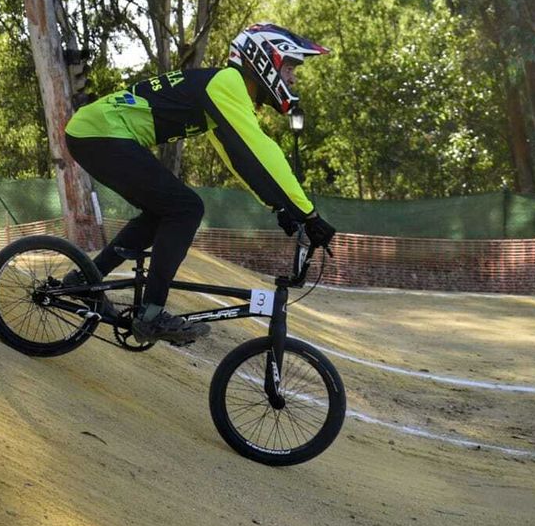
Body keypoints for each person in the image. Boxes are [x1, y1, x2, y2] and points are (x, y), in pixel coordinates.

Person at [62, 23, 337, 345]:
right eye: (289, 68)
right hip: (100, 132)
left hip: (95, 133)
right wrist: (307, 213)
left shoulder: (221, 89)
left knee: (164, 212)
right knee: (186, 208)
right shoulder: (228, 82)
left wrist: (279, 206)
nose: (292, 79)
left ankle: (85, 279)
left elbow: (240, 159)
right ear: (265, 60)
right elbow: (262, 150)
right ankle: (151, 315)